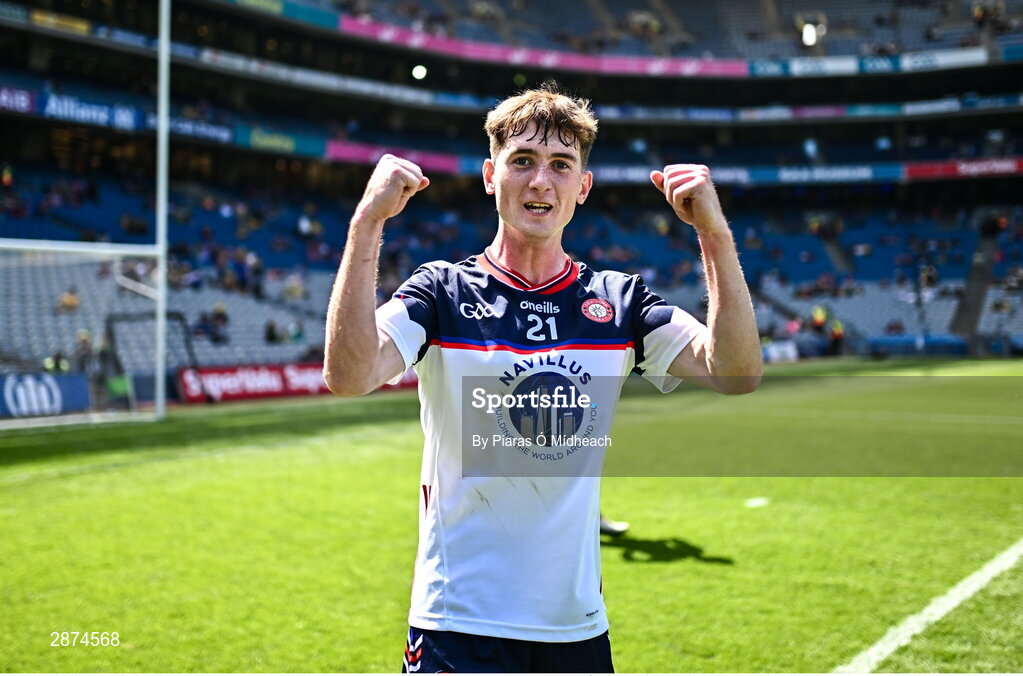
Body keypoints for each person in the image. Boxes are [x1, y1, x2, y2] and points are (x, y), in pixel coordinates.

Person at [323, 83, 762, 672]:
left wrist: (713, 233)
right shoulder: (440, 292)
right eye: (522, 161)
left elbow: (734, 372)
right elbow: (349, 374)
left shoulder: (619, 300)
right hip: (457, 625)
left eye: (561, 166)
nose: (540, 181)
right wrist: (367, 221)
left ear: (582, 187)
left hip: (574, 630)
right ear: (489, 175)